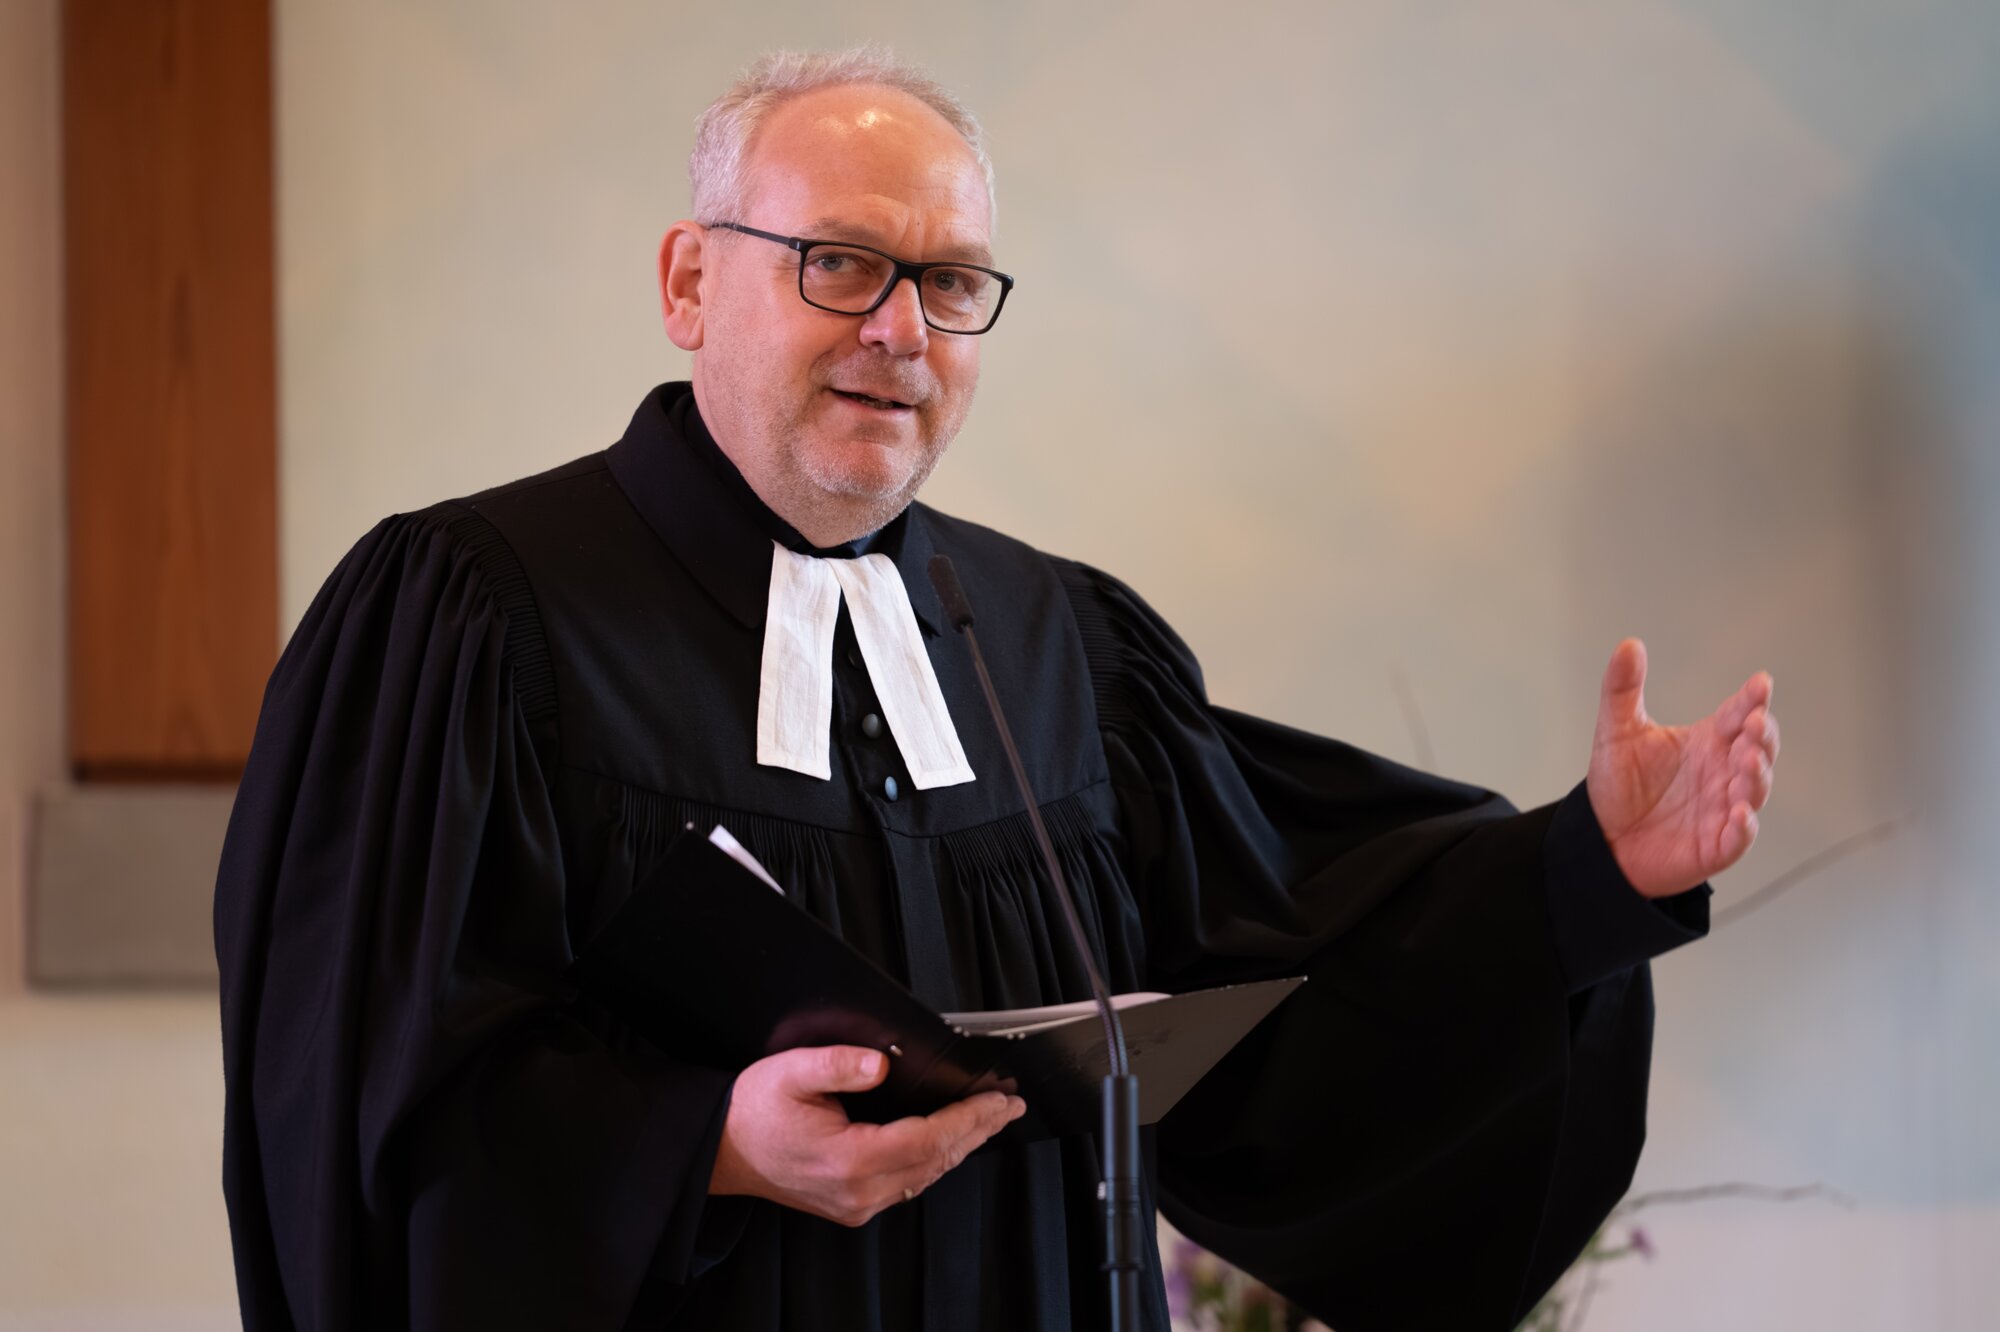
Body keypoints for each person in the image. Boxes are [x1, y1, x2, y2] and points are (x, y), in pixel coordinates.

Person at [213, 46, 1780, 1332]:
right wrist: (707, 1152)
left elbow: (1287, 963)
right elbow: (362, 1099)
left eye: (951, 282)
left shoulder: (1058, 645)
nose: (900, 328)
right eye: (841, 263)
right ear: (692, 282)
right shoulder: (474, 616)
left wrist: (1588, 871)